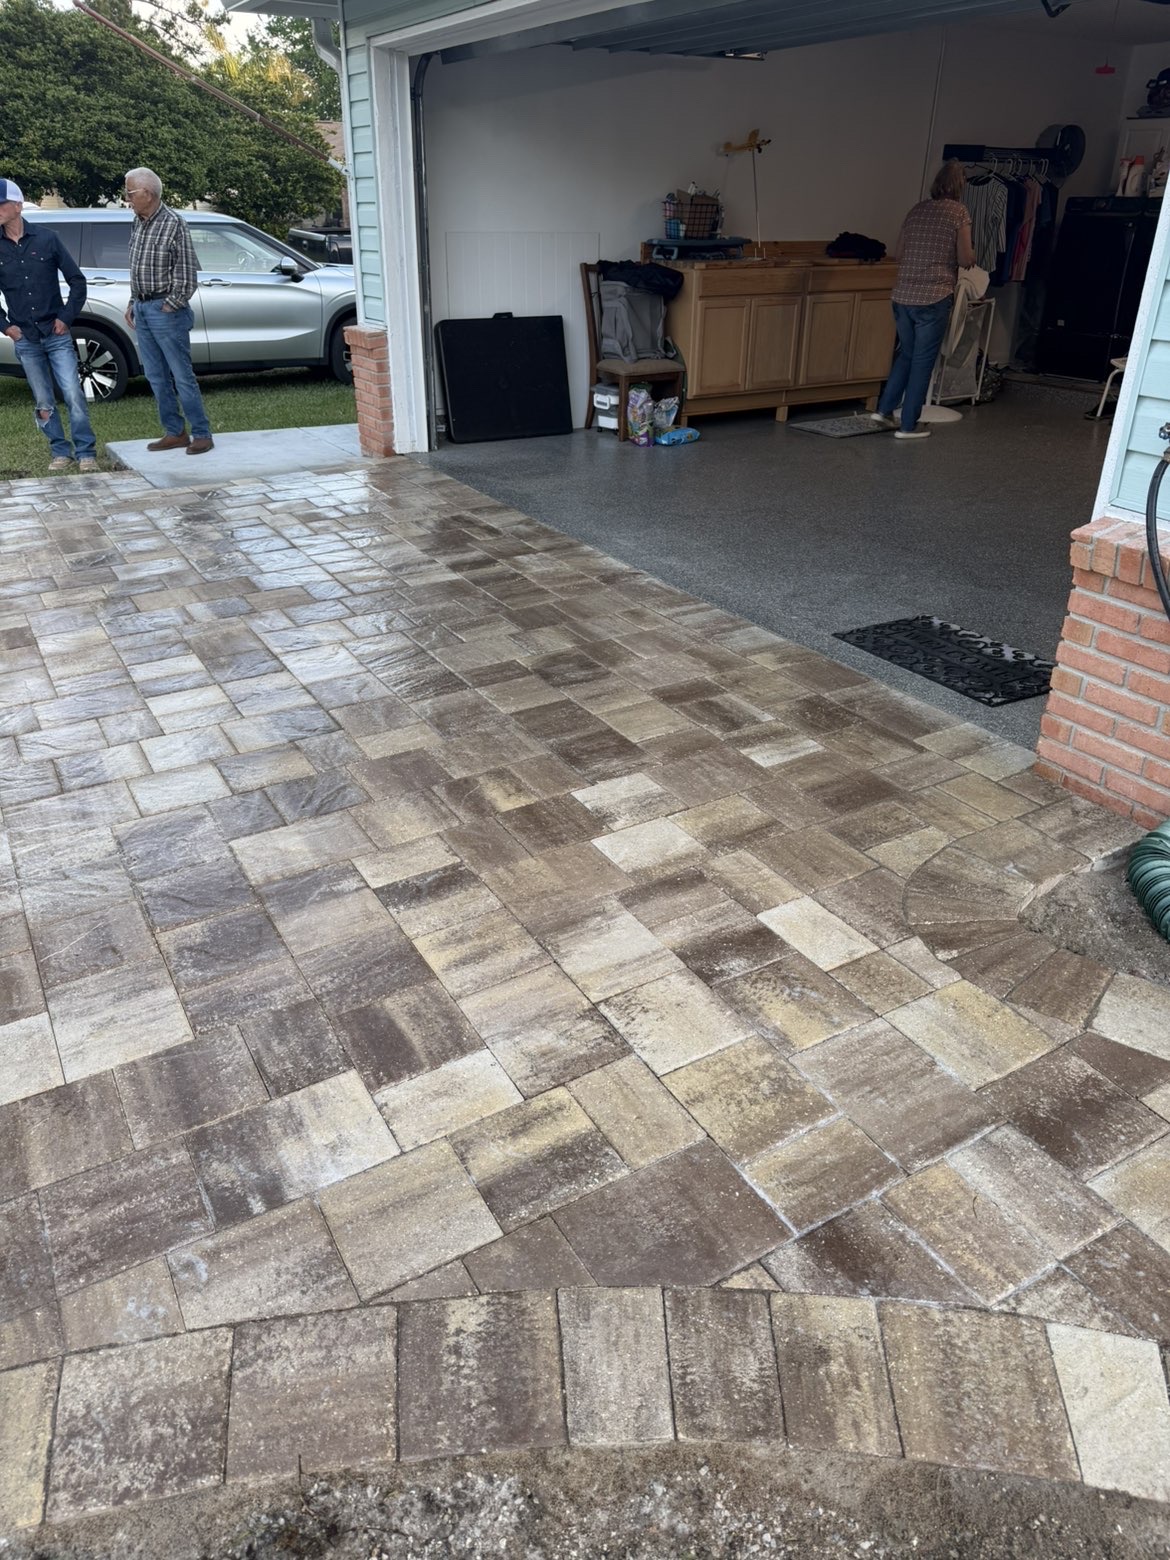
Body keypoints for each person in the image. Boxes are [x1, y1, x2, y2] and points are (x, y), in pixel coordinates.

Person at [872, 160, 976, 441]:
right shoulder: (959, 213)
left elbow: (899, 252)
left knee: (906, 353)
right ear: (960, 186)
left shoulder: (916, 210)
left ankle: (883, 410)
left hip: (903, 296)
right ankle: (908, 426)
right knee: (922, 361)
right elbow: (966, 257)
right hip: (934, 296)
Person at [0, 179, 99, 473]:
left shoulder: (47, 239)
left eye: (1, 204)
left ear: (18, 206)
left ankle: (85, 453)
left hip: (55, 333)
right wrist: (6, 327)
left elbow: (77, 282)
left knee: (72, 393)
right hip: (25, 338)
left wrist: (65, 318)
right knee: (43, 398)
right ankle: (59, 451)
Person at [123, 166, 213, 455]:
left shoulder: (174, 222)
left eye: (130, 192)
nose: (127, 198)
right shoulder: (137, 222)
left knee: (181, 375)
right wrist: (132, 302)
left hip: (166, 311)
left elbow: (187, 276)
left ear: (147, 193)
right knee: (155, 376)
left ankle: (201, 433)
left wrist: (168, 306)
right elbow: (138, 267)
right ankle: (175, 432)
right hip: (143, 307)